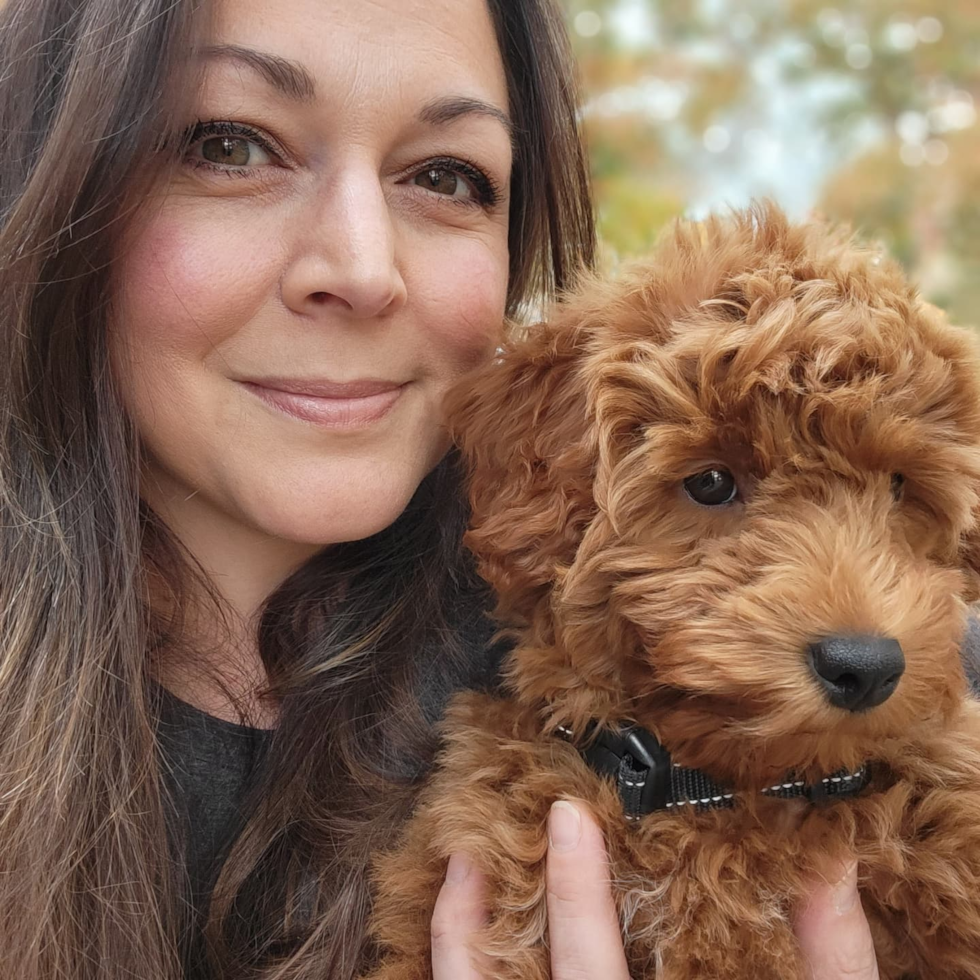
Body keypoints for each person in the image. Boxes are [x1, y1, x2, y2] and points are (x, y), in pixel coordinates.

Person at [0, 0, 888, 977]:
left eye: (443, 175)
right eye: (230, 144)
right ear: (47, 175)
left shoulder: (841, 688)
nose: (363, 266)